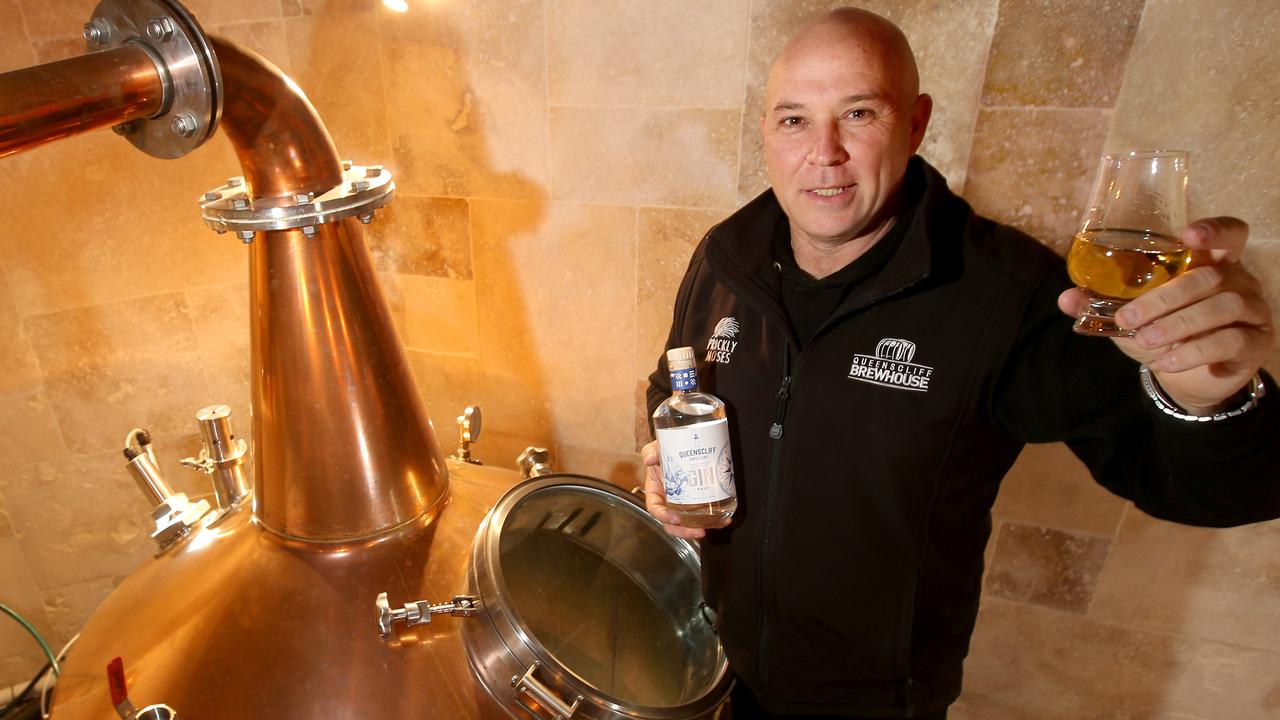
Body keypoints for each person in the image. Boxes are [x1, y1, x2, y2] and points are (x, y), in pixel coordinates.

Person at [641, 8, 1279, 720]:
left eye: (858, 113)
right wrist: (665, 461)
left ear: (915, 125)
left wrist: (1210, 398)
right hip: (723, 671)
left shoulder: (1008, 294)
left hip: (877, 704)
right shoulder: (727, 256)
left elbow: (1219, 488)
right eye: (793, 120)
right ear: (766, 130)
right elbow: (675, 383)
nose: (823, 152)